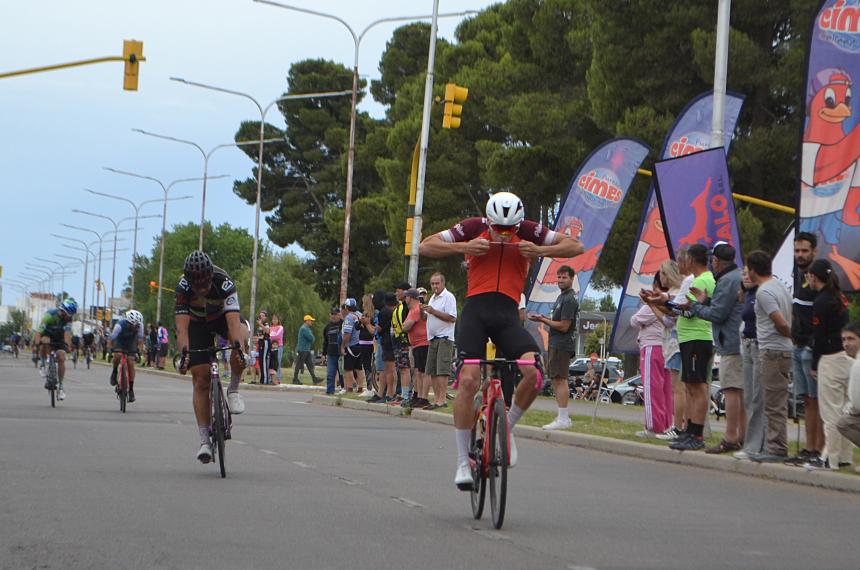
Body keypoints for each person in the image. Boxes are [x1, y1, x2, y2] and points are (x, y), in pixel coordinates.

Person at [418, 191, 582, 489]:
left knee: (534, 374)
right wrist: (465, 246)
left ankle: (507, 426)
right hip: (476, 312)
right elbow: (425, 245)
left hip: (509, 315)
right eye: (498, 229)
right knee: (468, 380)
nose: (504, 235)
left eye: (510, 231)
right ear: (488, 221)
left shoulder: (530, 231)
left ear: (518, 223)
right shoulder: (472, 226)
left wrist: (540, 252)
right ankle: (461, 461)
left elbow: (575, 245)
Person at [175, 250, 249, 464]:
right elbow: (182, 330)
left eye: (205, 283)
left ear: (210, 275)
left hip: (222, 318)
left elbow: (234, 324)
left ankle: (234, 389)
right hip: (197, 324)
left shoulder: (223, 282)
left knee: (240, 339)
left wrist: (239, 350)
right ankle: (204, 440)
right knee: (200, 378)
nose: (202, 288)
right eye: (196, 285)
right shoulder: (182, 289)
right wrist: (184, 356)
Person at [644, 244, 715, 451]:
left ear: (691, 260)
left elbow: (688, 311)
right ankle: (690, 430)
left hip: (697, 337)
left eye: (683, 259)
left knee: (696, 387)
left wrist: (662, 303)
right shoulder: (700, 279)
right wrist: (663, 300)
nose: (680, 263)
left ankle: (696, 432)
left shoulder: (701, 280)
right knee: (691, 386)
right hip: (690, 338)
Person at [688, 241, 745, 454]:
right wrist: (707, 300)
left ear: (716, 262)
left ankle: (730, 437)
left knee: (731, 390)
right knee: (741, 392)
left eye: (713, 261)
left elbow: (717, 314)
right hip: (738, 340)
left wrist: (695, 305)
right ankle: (742, 436)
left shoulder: (727, 280)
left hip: (731, 342)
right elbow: (724, 305)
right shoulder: (736, 276)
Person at [746, 250, 793, 461]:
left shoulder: (764, 292)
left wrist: (791, 335)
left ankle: (776, 448)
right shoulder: (779, 286)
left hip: (772, 350)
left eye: (748, 268)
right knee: (775, 400)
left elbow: (781, 322)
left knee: (773, 402)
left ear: (753, 270)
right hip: (780, 350)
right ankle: (773, 445)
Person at [807, 258, 853, 469]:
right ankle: (844, 456)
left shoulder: (821, 301)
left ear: (813, 277)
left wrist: (815, 363)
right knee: (845, 409)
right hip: (847, 357)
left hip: (829, 359)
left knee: (830, 412)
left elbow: (819, 336)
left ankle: (829, 458)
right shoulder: (839, 297)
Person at [529, 265, 578, 430]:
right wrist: (543, 318)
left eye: (564, 277)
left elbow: (564, 326)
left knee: (559, 379)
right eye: (559, 277)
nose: (561, 280)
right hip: (555, 343)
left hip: (562, 344)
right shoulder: (561, 297)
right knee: (556, 379)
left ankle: (563, 418)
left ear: (572, 279)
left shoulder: (569, 299)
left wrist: (543, 320)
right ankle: (562, 417)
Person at [791, 232, 824, 462]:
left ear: (814, 251)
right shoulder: (798, 275)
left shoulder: (818, 278)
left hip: (812, 350)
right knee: (806, 400)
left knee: (818, 400)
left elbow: (823, 318)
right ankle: (809, 447)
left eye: (804, 251)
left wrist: (814, 349)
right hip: (798, 345)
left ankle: (819, 450)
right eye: (797, 251)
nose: (800, 255)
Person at [630, 274, 672, 437]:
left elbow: (634, 321)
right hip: (665, 347)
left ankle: (653, 426)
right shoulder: (670, 303)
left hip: (651, 347)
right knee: (666, 389)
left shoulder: (651, 306)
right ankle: (667, 424)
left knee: (652, 388)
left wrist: (647, 303)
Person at [734, 267, 767, 460]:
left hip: (759, 346)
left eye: (749, 273)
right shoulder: (747, 295)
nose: (745, 277)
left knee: (757, 398)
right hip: (746, 345)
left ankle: (756, 445)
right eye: (743, 274)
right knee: (748, 398)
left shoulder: (762, 294)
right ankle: (751, 442)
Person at [653, 260, 685, 440]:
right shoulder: (673, 294)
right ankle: (681, 425)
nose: (661, 277)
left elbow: (668, 320)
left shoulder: (675, 294)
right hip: (676, 342)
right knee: (681, 389)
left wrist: (652, 305)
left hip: (675, 343)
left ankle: (677, 426)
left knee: (678, 389)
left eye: (663, 273)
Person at [423, 273, 457, 409]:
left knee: (442, 370)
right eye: (432, 284)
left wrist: (433, 311)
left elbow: (452, 317)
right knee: (433, 370)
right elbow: (427, 317)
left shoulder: (448, 297)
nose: (435, 286)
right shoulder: (432, 298)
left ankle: (442, 400)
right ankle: (437, 399)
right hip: (433, 338)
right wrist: (423, 310)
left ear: (443, 283)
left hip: (444, 338)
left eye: (437, 283)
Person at [35, 298, 78, 401]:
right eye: (69, 313)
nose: (70, 316)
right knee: (44, 341)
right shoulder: (50, 315)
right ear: (63, 311)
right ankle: (43, 364)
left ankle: (61, 387)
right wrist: (37, 343)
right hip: (47, 334)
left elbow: (67, 333)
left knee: (62, 357)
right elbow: (39, 331)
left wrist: (67, 345)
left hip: (59, 336)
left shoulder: (68, 319)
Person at [402, 288, 431, 408]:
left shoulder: (416, 309)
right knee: (418, 372)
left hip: (423, 343)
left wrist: (405, 325)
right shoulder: (412, 310)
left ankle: (423, 397)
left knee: (423, 372)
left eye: (406, 296)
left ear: (411, 297)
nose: (405, 299)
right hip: (416, 345)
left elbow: (406, 326)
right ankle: (418, 395)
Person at [109, 310, 145, 402]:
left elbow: (140, 341)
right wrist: (110, 350)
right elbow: (111, 339)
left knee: (131, 362)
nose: (136, 327)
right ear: (129, 322)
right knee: (117, 355)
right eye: (134, 325)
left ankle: (131, 390)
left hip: (131, 342)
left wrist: (139, 352)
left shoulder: (140, 326)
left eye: (138, 325)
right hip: (119, 340)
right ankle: (114, 371)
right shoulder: (119, 326)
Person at [836, 323, 860, 451]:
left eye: (851, 339)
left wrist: (848, 410)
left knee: (844, 423)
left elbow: (857, 404)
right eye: (843, 340)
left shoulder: (857, 365)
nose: (846, 344)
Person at [340, 298, 370, 397]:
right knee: (359, 368)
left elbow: (347, 334)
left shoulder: (349, 317)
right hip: (361, 344)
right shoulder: (360, 314)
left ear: (346, 307)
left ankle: (349, 388)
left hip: (351, 345)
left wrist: (343, 345)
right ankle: (360, 387)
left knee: (348, 368)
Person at [391, 282, 414, 403]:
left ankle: (406, 395)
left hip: (405, 341)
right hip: (398, 341)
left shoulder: (407, 307)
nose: (396, 293)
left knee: (405, 369)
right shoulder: (400, 306)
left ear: (405, 292)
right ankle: (403, 393)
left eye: (398, 290)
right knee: (401, 368)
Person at [322, 308, 343, 395]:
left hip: (341, 354)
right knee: (330, 374)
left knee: (342, 374)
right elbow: (325, 342)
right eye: (332, 314)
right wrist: (324, 354)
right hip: (331, 354)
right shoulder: (327, 327)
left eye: (335, 314)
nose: (334, 316)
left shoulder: (343, 324)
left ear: (339, 315)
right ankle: (330, 391)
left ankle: (344, 390)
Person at [293, 314, 319, 385]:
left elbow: (312, 338)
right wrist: (312, 337)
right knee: (298, 365)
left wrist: (312, 337)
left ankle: (314, 379)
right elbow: (311, 338)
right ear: (307, 321)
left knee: (310, 365)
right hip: (302, 349)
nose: (312, 322)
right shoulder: (304, 328)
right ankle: (295, 379)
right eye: (311, 321)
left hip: (306, 349)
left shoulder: (307, 329)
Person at [270, 314, 285, 383]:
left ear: (278, 320)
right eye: (273, 319)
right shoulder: (270, 327)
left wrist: (271, 336)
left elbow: (277, 336)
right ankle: (271, 378)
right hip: (271, 347)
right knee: (271, 363)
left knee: (278, 362)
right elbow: (269, 336)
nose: (274, 320)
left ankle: (278, 378)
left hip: (279, 347)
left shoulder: (280, 327)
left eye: (276, 319)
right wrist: (271, 336)